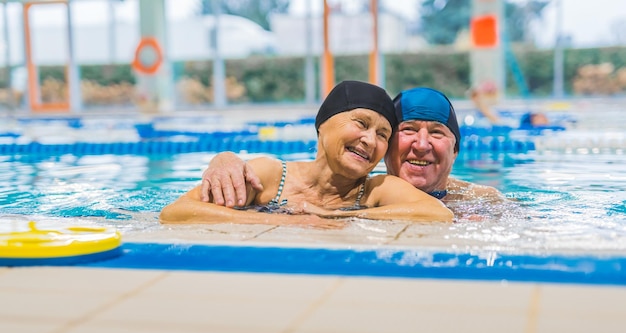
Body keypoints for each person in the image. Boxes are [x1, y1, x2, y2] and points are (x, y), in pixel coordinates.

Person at [160, 80, 454, 226]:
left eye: (382, 135)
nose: (369, 140)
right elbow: (175, 212)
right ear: (322, 126)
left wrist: (333, 216)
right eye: (361, 124)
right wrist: (278, 221)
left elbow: (436, 213)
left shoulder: (376, 189)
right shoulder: (271, 175)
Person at [200, 86, 507, 215]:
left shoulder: (482, 201)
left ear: (456, 152)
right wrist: (223, 158)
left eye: (438, 134)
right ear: (387, 152)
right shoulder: (363, 193)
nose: (422, 144)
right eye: (408, 131)